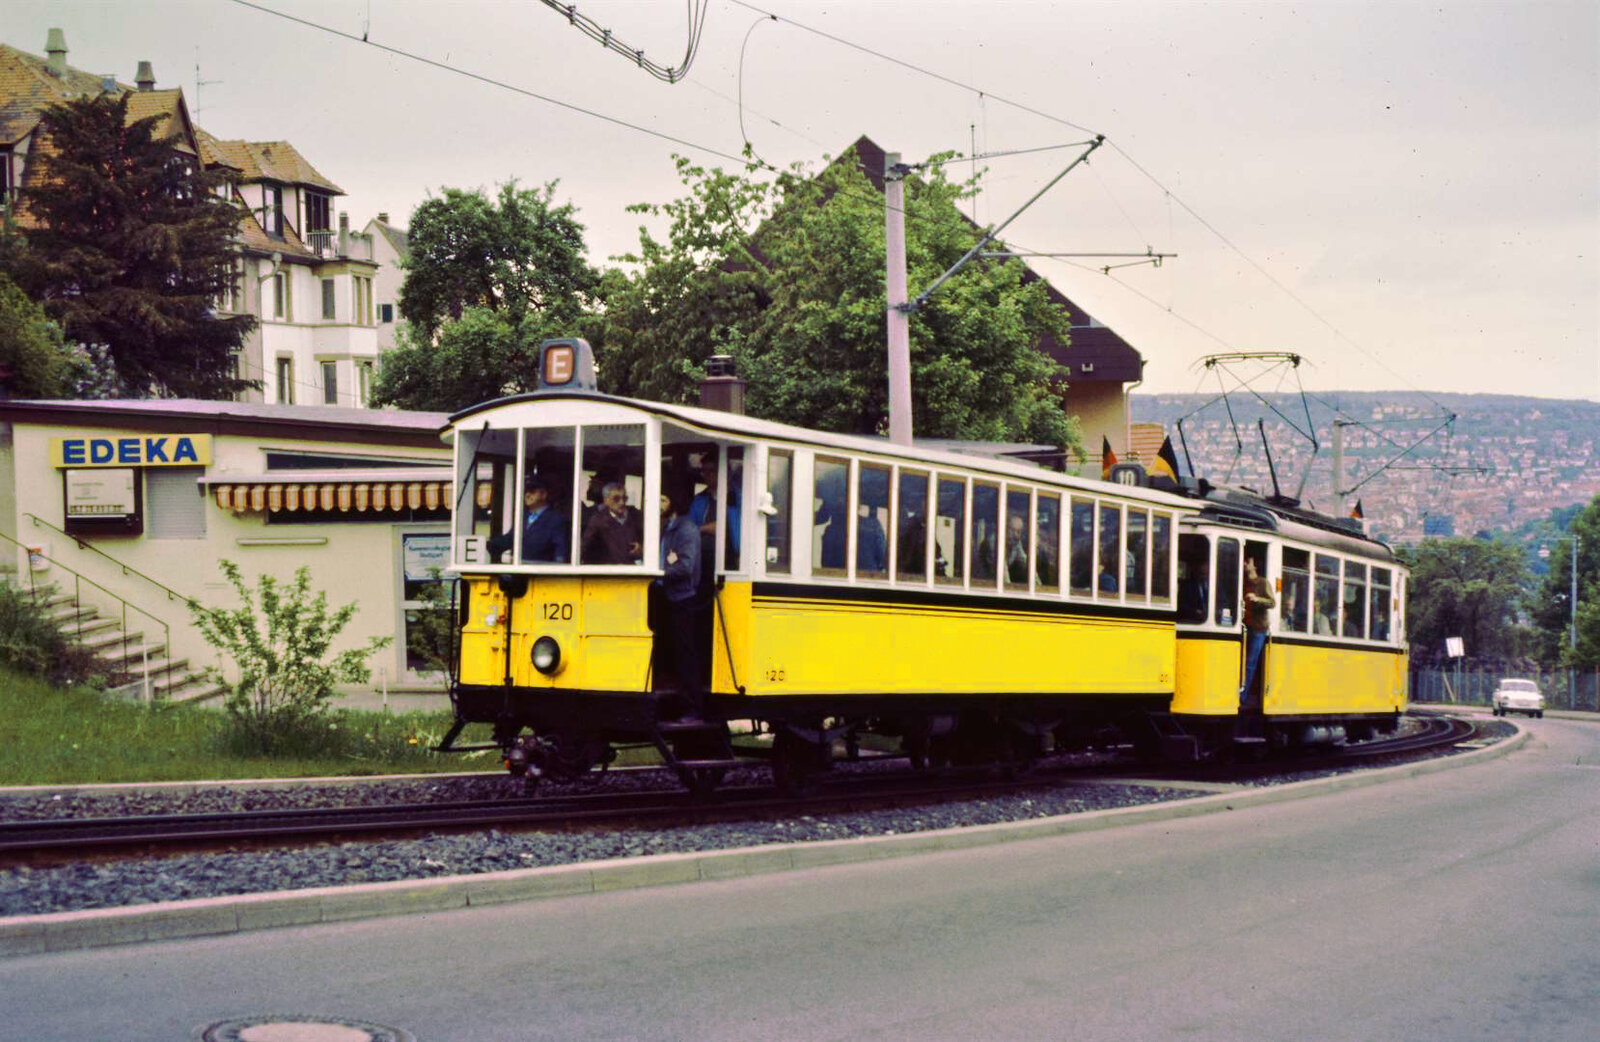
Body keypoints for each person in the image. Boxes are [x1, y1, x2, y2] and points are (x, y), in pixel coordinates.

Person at [655, 491, 704, 718]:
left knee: (685, 653)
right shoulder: (666, 527)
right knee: (670, 651)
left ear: (673, 503)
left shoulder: (686, 529)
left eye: (663, 499)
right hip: (667, 596)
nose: (658, 503)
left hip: (683, 597)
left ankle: (693, 706)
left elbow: (685, 566)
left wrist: (659, 573)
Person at [487, 475, 568, 563]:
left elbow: (560, 550)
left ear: (543, 494)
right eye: (525, 492)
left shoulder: (555, 519)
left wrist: (556, 572)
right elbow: (509, 539)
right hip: (518, 570)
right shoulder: (522, 517)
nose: (527, 495)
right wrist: (484, 545)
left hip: (541, 572)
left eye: (532, 491)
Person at [1240, 555, 1276, 709]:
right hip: (1243, 627)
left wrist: (1256, 599)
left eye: (1247, 561)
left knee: (1250, 663)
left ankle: (1242, 696)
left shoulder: (1263, 582)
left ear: (1254, 565)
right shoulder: (1242, 582)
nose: (1244, 564)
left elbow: (1272, 602)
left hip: (1257, 628)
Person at [580, 482, 643, 564]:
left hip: (633, 571)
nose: (622, 503)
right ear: (606, 501)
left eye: (624, 498)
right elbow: (584, 548)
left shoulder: (636, 516)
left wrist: (642, 549)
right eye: (616, 499)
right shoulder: (598, 521)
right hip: (610, 572)